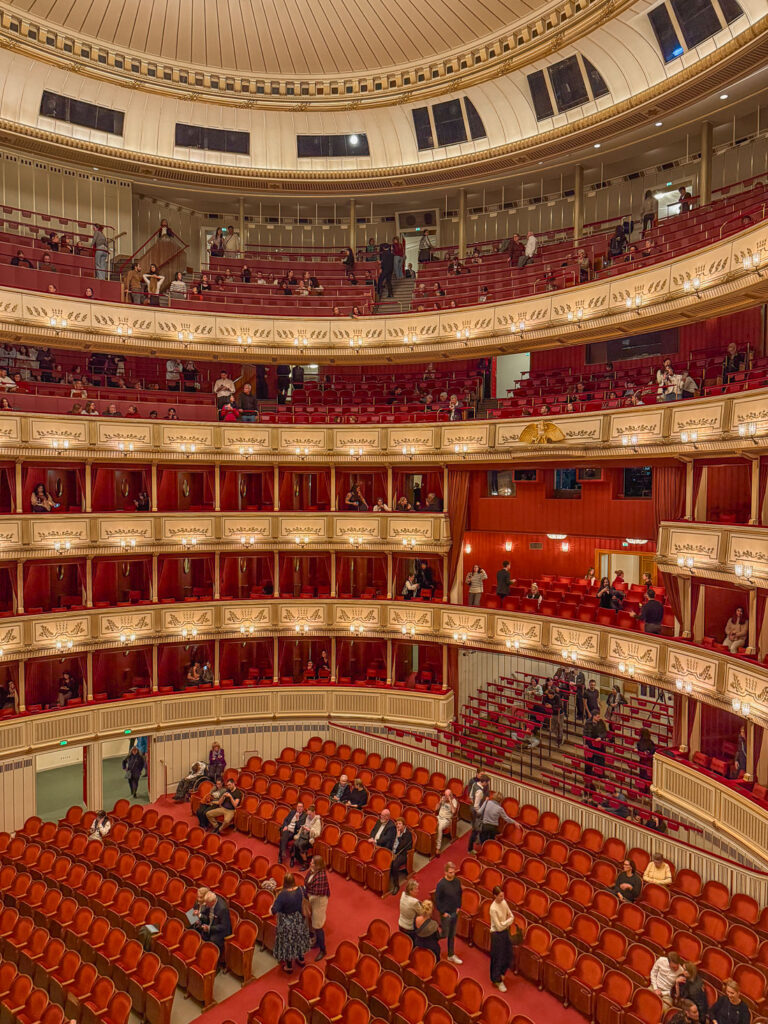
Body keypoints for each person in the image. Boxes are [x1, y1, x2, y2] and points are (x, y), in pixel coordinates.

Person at [272, 874, 310, 974]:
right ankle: (301, 959)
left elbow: (274, 910)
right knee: (299, 939)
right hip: (298, 919)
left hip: (286, 922)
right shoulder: (301, 889)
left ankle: (289, 967)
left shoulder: (282, 895)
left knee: (287, 944)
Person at [434, 862, 463, 964]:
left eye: (453, 872)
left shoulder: (457, 881)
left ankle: (451, 954)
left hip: (455, 912)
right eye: (450, 872)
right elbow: (437, 900)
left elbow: (460, 894)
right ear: (445, 872)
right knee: (444, 934)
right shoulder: (441, 884)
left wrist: (459, 906)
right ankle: (431, 939)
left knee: (452, 934)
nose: (452, 874)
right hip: (446, 914)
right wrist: (443, 912)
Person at [303, 856, 330, 961]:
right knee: (311, 920)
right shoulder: (312, 872)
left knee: (317, 925)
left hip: (319, 901)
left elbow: (317, 894)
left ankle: (323, 950)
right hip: (312, 898)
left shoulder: (322, 876)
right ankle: (317, 942)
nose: (310, 863)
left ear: (318, 865)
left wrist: (306, 897)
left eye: (313, 863)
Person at [489, 886, 515, 992]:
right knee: (497, 958)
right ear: (495, 896)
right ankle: (497, 980)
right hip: (496, 934)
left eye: (503, 895)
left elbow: (511, 916)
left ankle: (502, 973)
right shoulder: (493, 908)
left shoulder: (504, 902)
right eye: (500, 896)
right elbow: (498, 927)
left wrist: (505, 923)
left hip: (504, 932)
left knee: (508, 954)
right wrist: (507, 922)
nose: (502, 898)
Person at [388, 818, 414, 894]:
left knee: (395, 864)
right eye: (397, 824)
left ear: (404, 825)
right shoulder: (394, 831)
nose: (398, 825)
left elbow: (402, 846)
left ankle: (396, 885)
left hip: (402, 854)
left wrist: (398, 836)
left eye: (400, 824)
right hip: (393, 851)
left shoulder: (408, 834)